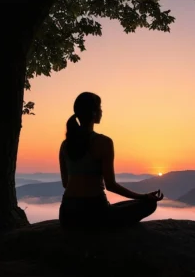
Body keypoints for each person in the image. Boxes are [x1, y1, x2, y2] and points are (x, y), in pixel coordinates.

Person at [58, 92, 164, 228]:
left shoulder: (65, 144)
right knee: (149, 204)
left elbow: (66, 183)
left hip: (67, 215)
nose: (102, 111)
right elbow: (111, 185)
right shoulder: (104, 142)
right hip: (96, 214)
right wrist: (143, 197)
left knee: (121, 206)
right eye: (100, 108)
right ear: (93, 113)